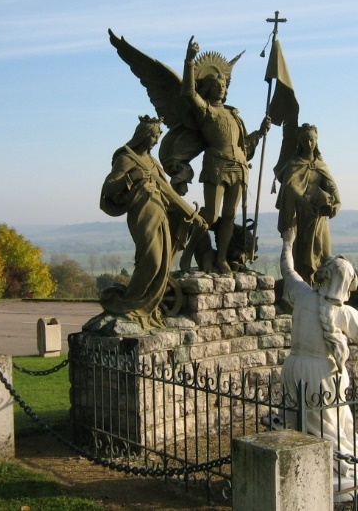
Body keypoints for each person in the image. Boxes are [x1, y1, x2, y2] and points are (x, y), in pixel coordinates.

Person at [280, 226, 358, 499]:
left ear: (323, 275)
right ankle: (334, 466)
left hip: (293, 367)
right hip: (322, 374)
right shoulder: (344, 313)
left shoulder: (302, 294)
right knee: (332, 427)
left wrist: (288, 242)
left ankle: (301, 466)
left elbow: (287, 270)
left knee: (299, 423)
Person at [178, 36, 271, 275]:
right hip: (217, 165)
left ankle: (221, 259)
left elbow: (243, 146)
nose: (221, 87)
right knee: (211, 215)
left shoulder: (234, 115)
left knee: (229, 216)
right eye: (216, 84)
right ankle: (188, 254)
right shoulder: (206, 111)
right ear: (208, 88)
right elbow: (188, 92)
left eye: (223, 85)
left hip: (239, 167)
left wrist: (260, 132)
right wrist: (189, 61)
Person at [98, 115, 201, 329]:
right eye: (154, 137)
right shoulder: (127, 158)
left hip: (160, 212)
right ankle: (129, 305)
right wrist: (132, 177)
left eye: (158, 137)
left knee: (162, 262)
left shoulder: (153, 162)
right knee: (152, 260)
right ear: (143, 135)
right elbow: (109, 187)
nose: (156, 141)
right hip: (142, 214)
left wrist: (191, 213)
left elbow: (169, 191)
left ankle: (145, 308)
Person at [276, 123, 341, 284]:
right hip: (300, 216)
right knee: (301, 253)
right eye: (305, 140)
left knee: (322, 251)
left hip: (318, 217)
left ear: (316, 140)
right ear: (300, 142)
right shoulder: (294, 164)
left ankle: (323, 286)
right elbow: (290, 188)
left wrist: (336, 203)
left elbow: (331, 186)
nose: (309, 143)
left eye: (312, 140)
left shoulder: (321, 165)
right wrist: (305, 203)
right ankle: (302, 286)